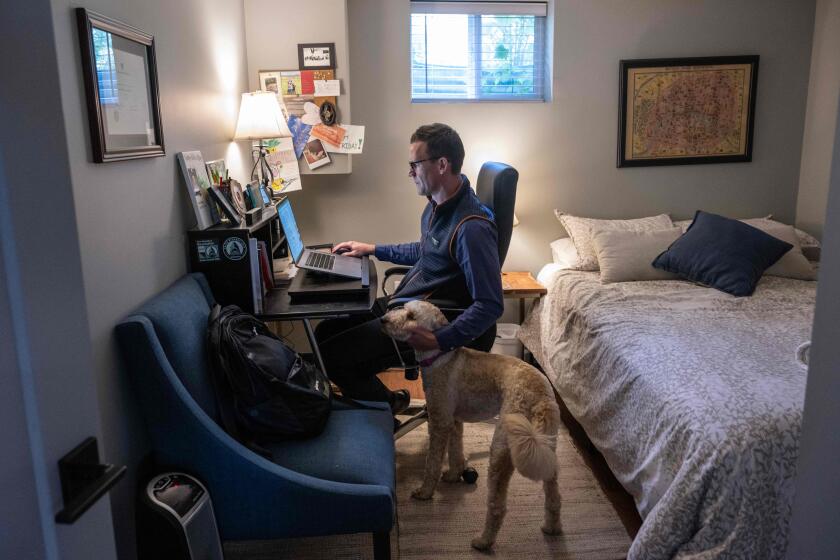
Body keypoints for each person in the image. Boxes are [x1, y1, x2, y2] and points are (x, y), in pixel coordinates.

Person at [314, 123, 504, 420]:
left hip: (429, 325)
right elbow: (425, 251)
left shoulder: (472, 229)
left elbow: (490, 305)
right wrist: (373, 248)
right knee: (324, 332)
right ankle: (388, 400)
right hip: (405, 306)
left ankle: (382, 414)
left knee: (332, 358)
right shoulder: (436, 205)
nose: (410, 172)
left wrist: (440, 340)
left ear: (442, 165)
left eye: (415, 164)